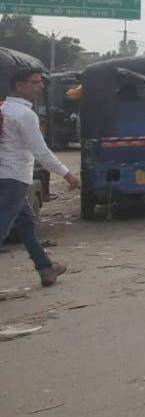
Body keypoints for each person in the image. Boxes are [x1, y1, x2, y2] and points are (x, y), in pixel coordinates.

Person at [0, 68, 79, 287]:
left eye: (41, 82)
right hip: (13, 178)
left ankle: (45, 268)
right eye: (35, 82)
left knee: (26, 224)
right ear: (19, 86)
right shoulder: (25, 115)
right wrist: (68, 174)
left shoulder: (4, 109)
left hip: (6, 176)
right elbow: (42, 152)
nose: (40, 86)